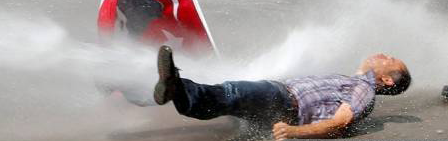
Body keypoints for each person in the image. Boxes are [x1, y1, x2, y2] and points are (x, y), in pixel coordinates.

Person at [153, 46, 411, 140]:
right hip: (281, 105)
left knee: (233, 93)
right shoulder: (353, 82)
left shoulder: (364, 90)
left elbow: (340, 123)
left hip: (284, 101)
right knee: (230, 100)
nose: (384, 54)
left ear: (386, 79)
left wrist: (294, 132)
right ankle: (174, 91)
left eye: (390, 59)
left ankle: (179, 88)